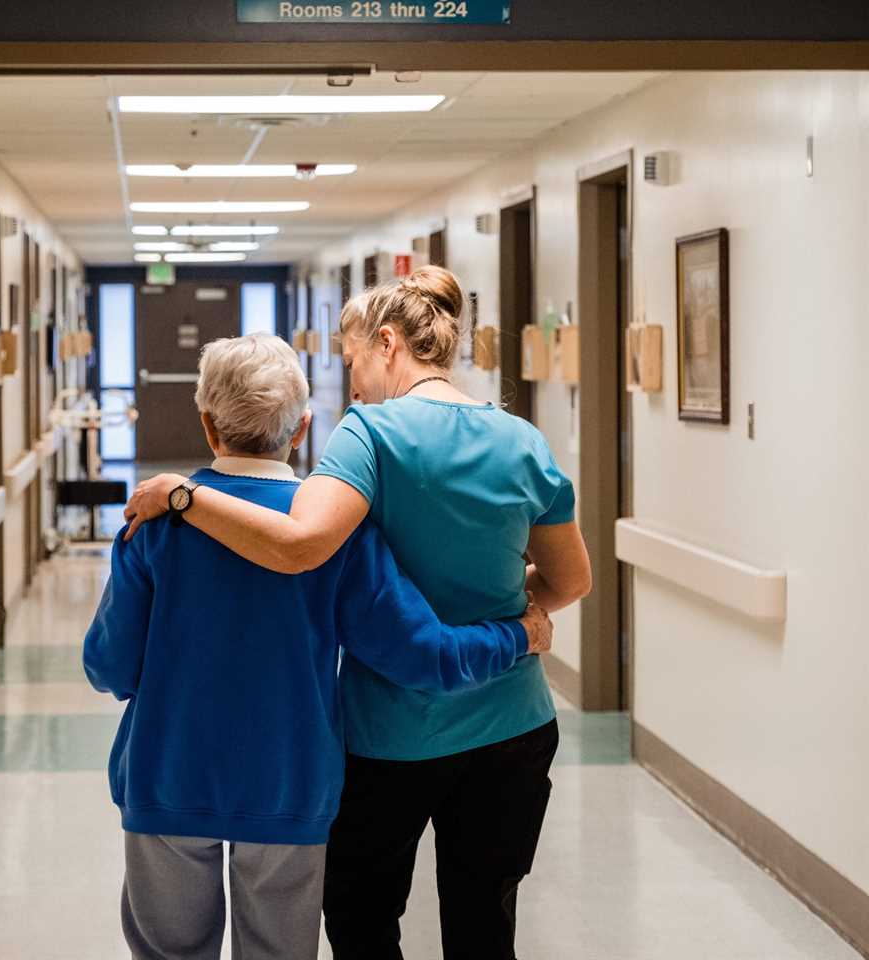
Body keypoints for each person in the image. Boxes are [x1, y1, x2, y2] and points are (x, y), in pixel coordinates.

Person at [124, 269, 593, 960]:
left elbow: (300, 544)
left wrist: (182, 497)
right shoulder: (522, 440)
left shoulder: (369, 435)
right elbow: (570, 578)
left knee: (364, 920)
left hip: (391, 735)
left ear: (387, 343)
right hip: (511, 724)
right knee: (485, 923)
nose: (353, 382)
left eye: (351, 362)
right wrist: (514, 626)